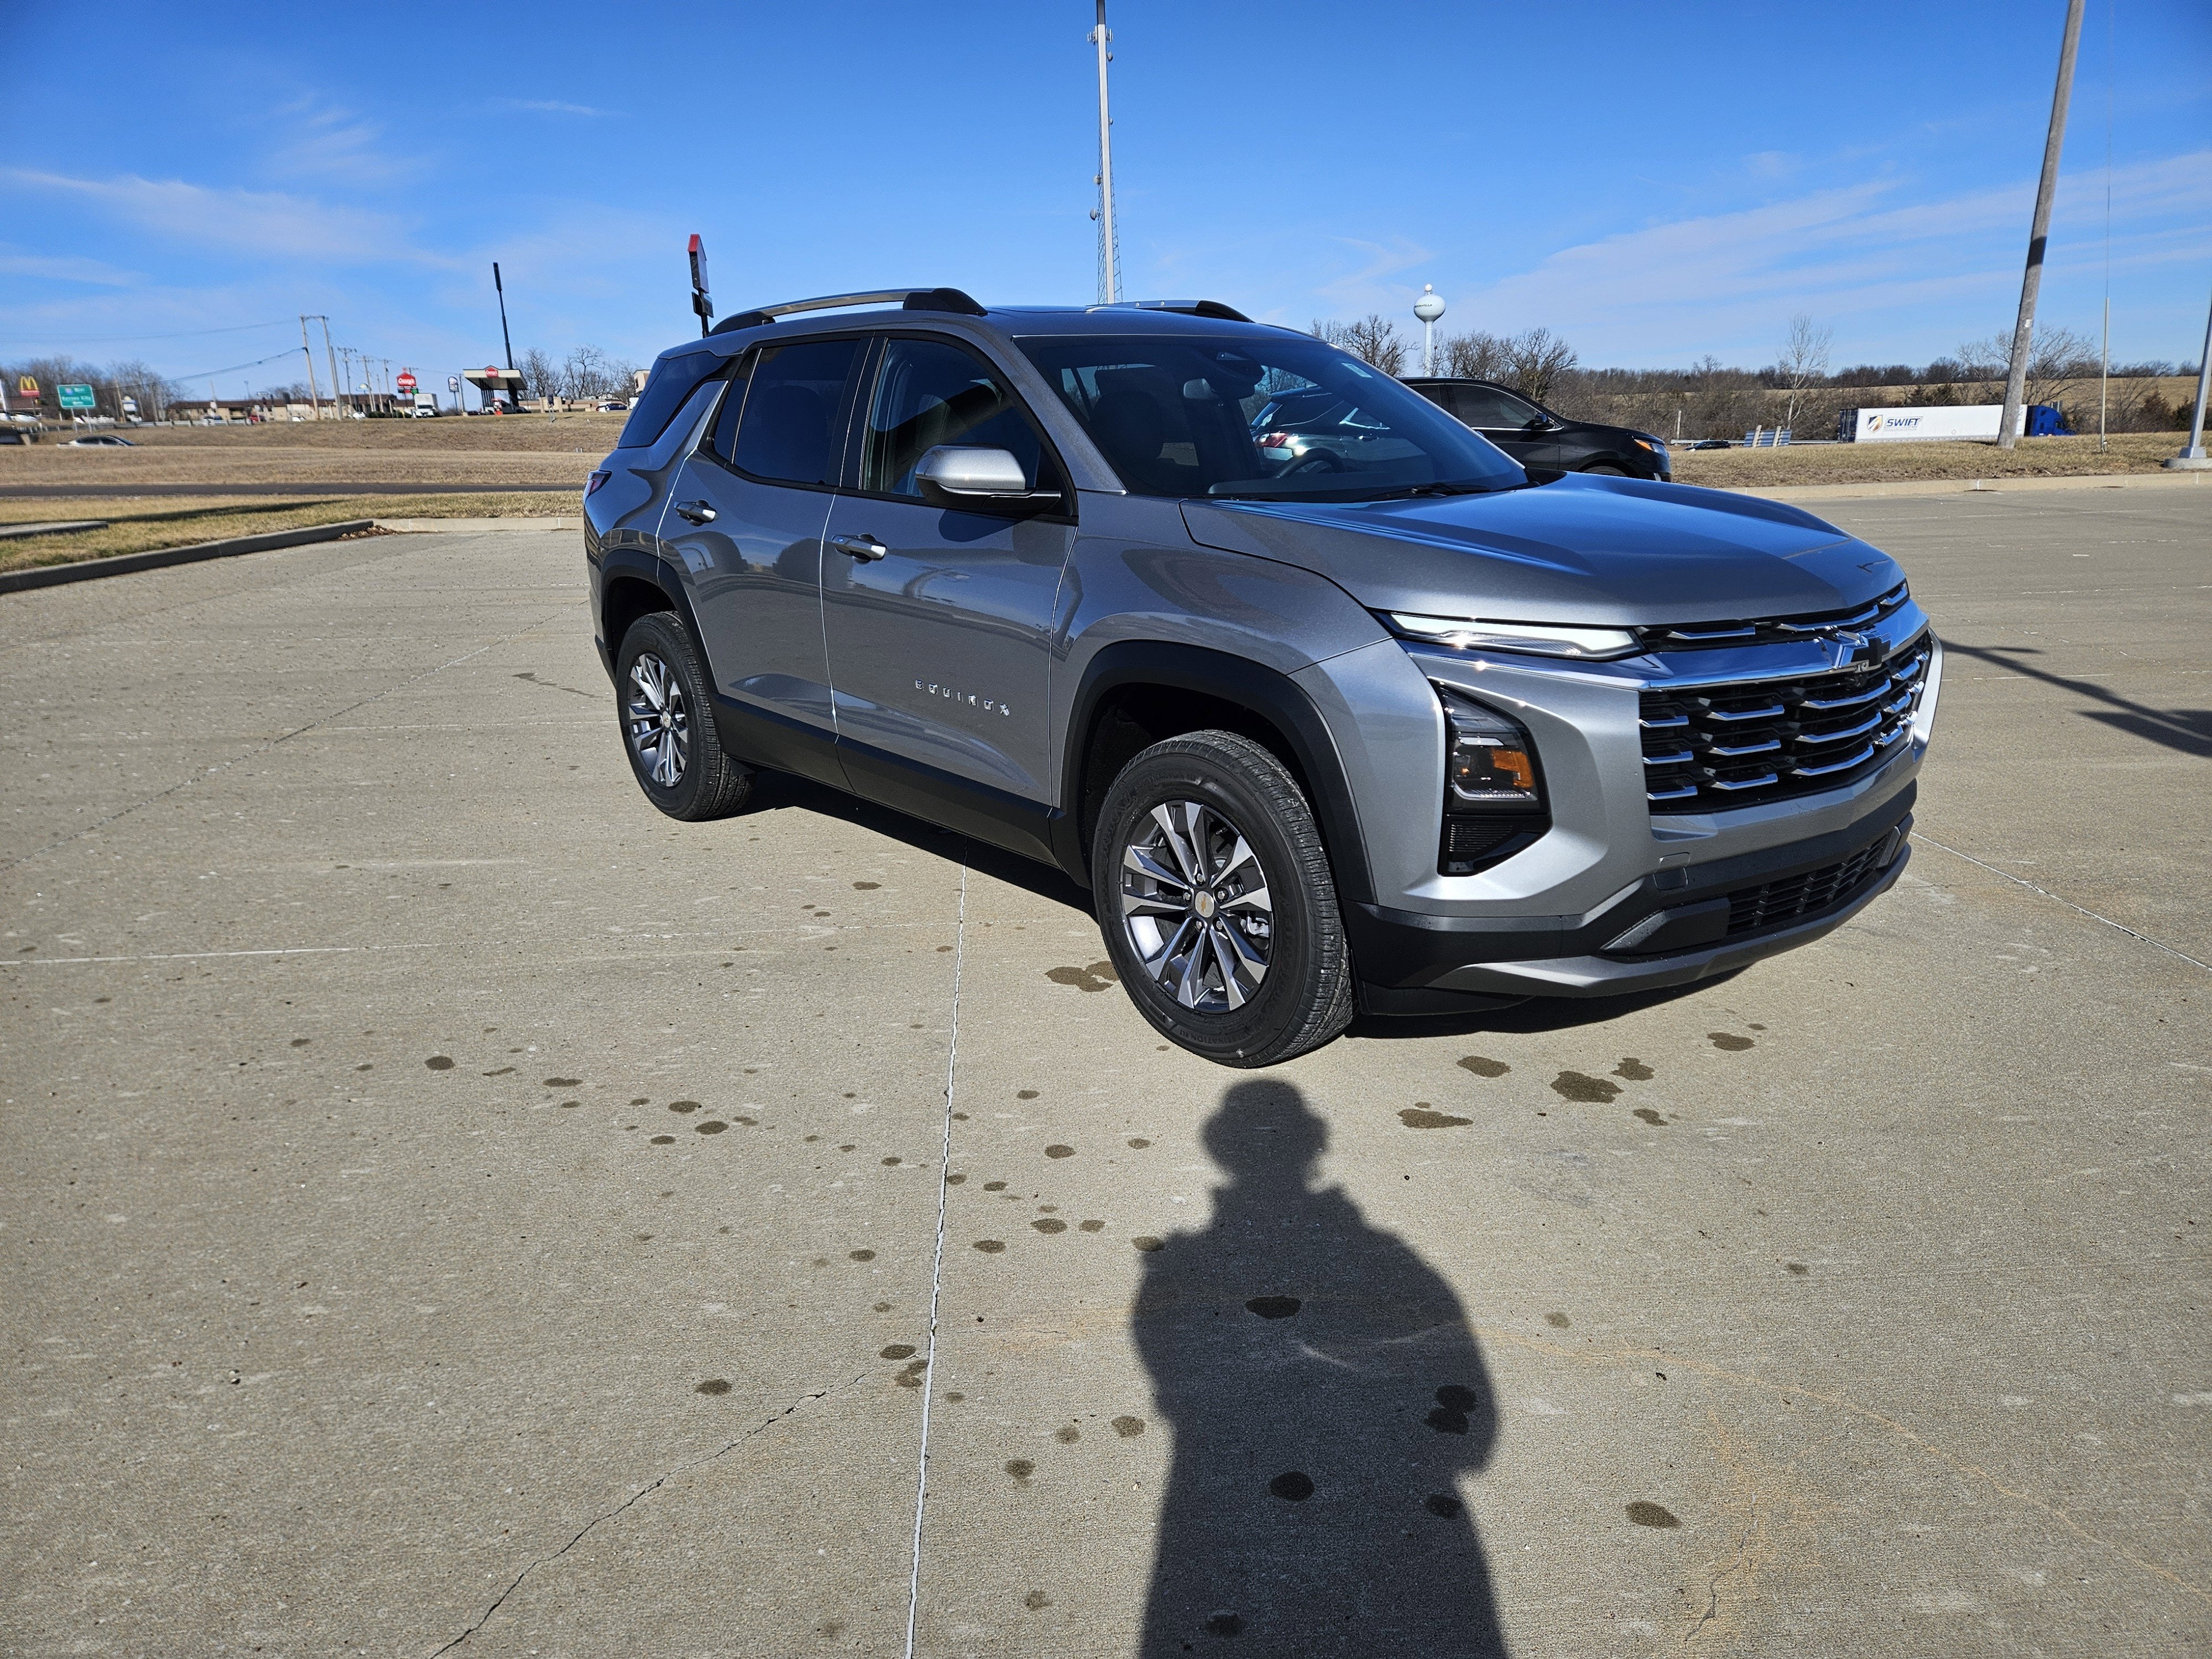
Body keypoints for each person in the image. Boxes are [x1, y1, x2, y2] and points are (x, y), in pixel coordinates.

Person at [1132, 1080, 1510, 1656]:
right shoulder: (1391, 1258)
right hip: (1399, 1498)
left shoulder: (1175, 1266)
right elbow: (1476, 1443)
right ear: (1317, 1145)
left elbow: (1169, 1378)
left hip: (1209, 1476)